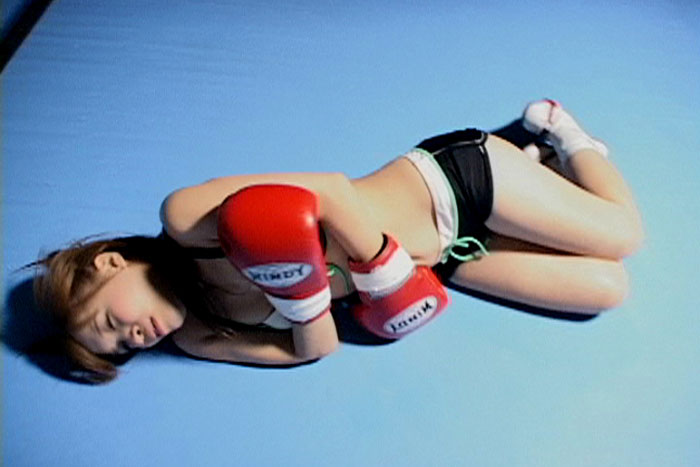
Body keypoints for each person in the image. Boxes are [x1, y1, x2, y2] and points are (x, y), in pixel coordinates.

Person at [31, 100, 644, 383]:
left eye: (110, 321)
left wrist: (381, 266)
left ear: (109, 263)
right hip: (439, 263)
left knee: (623, 236)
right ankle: (536, 179)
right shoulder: (197, 336)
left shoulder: (187, 219)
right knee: (605, 288)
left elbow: (327, 190)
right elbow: (310, 352)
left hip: (451, 184)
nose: (133, 338)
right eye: (121, 348)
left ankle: (559, 133)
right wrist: (303, 302)